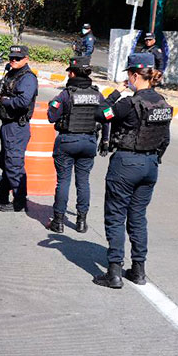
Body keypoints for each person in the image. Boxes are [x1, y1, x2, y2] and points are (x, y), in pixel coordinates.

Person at [92, 53, 172, 289]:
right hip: (150, 166)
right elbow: (165, 139)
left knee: (116, 216)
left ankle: (114, 272)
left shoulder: (129, 103)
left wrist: (116, 92)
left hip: (126, 163)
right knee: (138, 218)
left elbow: (100, 113)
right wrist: (154, 158)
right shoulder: (163, 104)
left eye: (129, 75)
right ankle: (138, 270)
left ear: (135, 76)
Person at [44, 55, 105, 234]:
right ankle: (81, 222)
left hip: (68, 141)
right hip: (89, 142)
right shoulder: (97, 94)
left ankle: (59, 221)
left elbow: (51, 117)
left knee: (63, 181)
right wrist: (106, 141)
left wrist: (52, 105)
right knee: (83, 181)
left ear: (71, 73)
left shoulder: (65, 94)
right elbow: (107, 116)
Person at [0, 45, 38, 212]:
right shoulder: (11, 73)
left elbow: (23, 101)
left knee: (14, 164)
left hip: (17, 125)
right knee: (6, 160)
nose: (13, 61)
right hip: (7, 123)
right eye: (12, 58)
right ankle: (3, 192)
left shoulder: (28, 78)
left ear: (26, 59)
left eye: (17, 58)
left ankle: (19, 201)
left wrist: (5, 101)